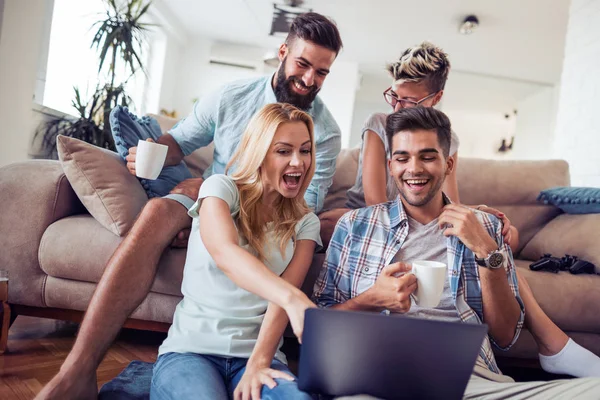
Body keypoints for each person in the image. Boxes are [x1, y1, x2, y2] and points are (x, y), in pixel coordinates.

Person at [36, 12, 342, 400]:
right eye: (303, 64)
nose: (310, 79)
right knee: (160, 211)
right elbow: (179, 142)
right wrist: (148, 157)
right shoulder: (231, 96)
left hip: (271, 207)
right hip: (216, 196)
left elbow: (301, 204)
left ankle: (151, 380)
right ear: (283, 52)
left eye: (322, 72)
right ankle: (76, 370)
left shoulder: (326, 132)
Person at [313, 107, 600, 399]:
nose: (414, 169)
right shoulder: (354, 225)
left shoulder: (483, 226)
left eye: (427, 157)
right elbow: (318, 328)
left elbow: (505, 336)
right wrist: (370, 300)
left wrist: (487, 252)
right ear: (390, 166)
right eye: (402, 158)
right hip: (375, 373)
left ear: (448, 164)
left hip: (468, 378)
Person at [151, 103, 320, 400]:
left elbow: (280, 302)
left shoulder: (306, 222)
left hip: (260, 357)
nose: (298, 162)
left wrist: (259, 363)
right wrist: (293, 298)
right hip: (191, 352)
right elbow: (225, 253)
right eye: (283, 151)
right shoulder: (220, 189)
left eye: (304, 150)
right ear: (259, 153)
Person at [320, 42, 518, 249]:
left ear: (436, 97)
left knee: (508, 234)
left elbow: (449, 203)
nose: (397, 108)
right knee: (329, 224)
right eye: (394, 96)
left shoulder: (448, 138)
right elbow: (375, 202)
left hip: (421, 217)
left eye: (409, 101)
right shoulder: (378, 125)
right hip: (372, 216)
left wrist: (480, 211)